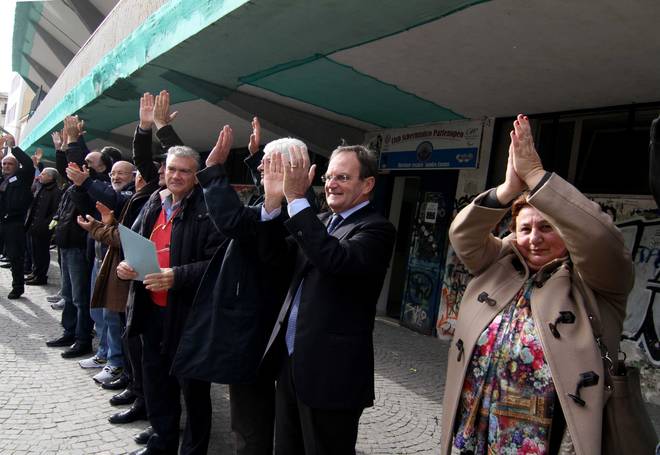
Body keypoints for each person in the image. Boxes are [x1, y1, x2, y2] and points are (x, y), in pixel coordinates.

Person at [440, 115, 634, 455]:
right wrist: (507, 191)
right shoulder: (500, 262)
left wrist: (536, 177)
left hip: (546, 442)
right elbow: (462, 235)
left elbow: (602, 241)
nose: (534, 239)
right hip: (478, 433)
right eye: (525, 228)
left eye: (546, 228)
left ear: (566, 233)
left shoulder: (594, 280)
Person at [172, 121, 316, 455]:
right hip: (254, 330)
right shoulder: (282, 203)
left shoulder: (296, 211)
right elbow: (261, 210)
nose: (262, 168)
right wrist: (254, 160)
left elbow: (239, 223)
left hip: (258, 333)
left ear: (287, 168)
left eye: (267, 163)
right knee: (250, 422)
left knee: (252, 425)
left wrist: (213, 171)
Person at [257, 143, 396, 454]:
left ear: (367, 184)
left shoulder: (377, 229)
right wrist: (273, 201)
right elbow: (272, 258)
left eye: (343, 177)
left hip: (332, 375)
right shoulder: (318, 220)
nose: (331, 184)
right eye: (329, 176)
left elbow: (335, 260)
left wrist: (296, 199)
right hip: (291, 364)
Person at [118, 143, 223, 455]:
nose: (176, 176)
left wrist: (178, 275)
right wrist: (127, 265)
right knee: (157, 382)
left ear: (197, 175)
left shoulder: (209, 208)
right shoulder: (156, 200)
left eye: (185, 171)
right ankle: (162, 443)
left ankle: (193, 450)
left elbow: (219, 264)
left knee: (193, 391)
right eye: (172, 169)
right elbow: (135, 240)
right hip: (151, 309)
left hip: (189, 317)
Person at [0, 133, 35, 299]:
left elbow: (28, 163)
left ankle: (17, 287)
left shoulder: (22, 177)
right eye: (4, 164)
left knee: (15, 257)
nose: (6, 166)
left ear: (16, 166)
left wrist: (13, 147)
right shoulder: (1, 179)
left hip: (14, 223)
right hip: (1, 221)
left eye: (10, 164)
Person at [24, 167, 62, 285]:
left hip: (43, 228)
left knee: (41, 253)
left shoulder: (56, 191)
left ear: (50, 177)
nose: (40, 176)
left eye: (43, 174)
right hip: (33, 226)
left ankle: (40, 276)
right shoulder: (41, 187)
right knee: (34, 252)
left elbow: (55, 212)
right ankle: (35, 272)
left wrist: (46, 225)